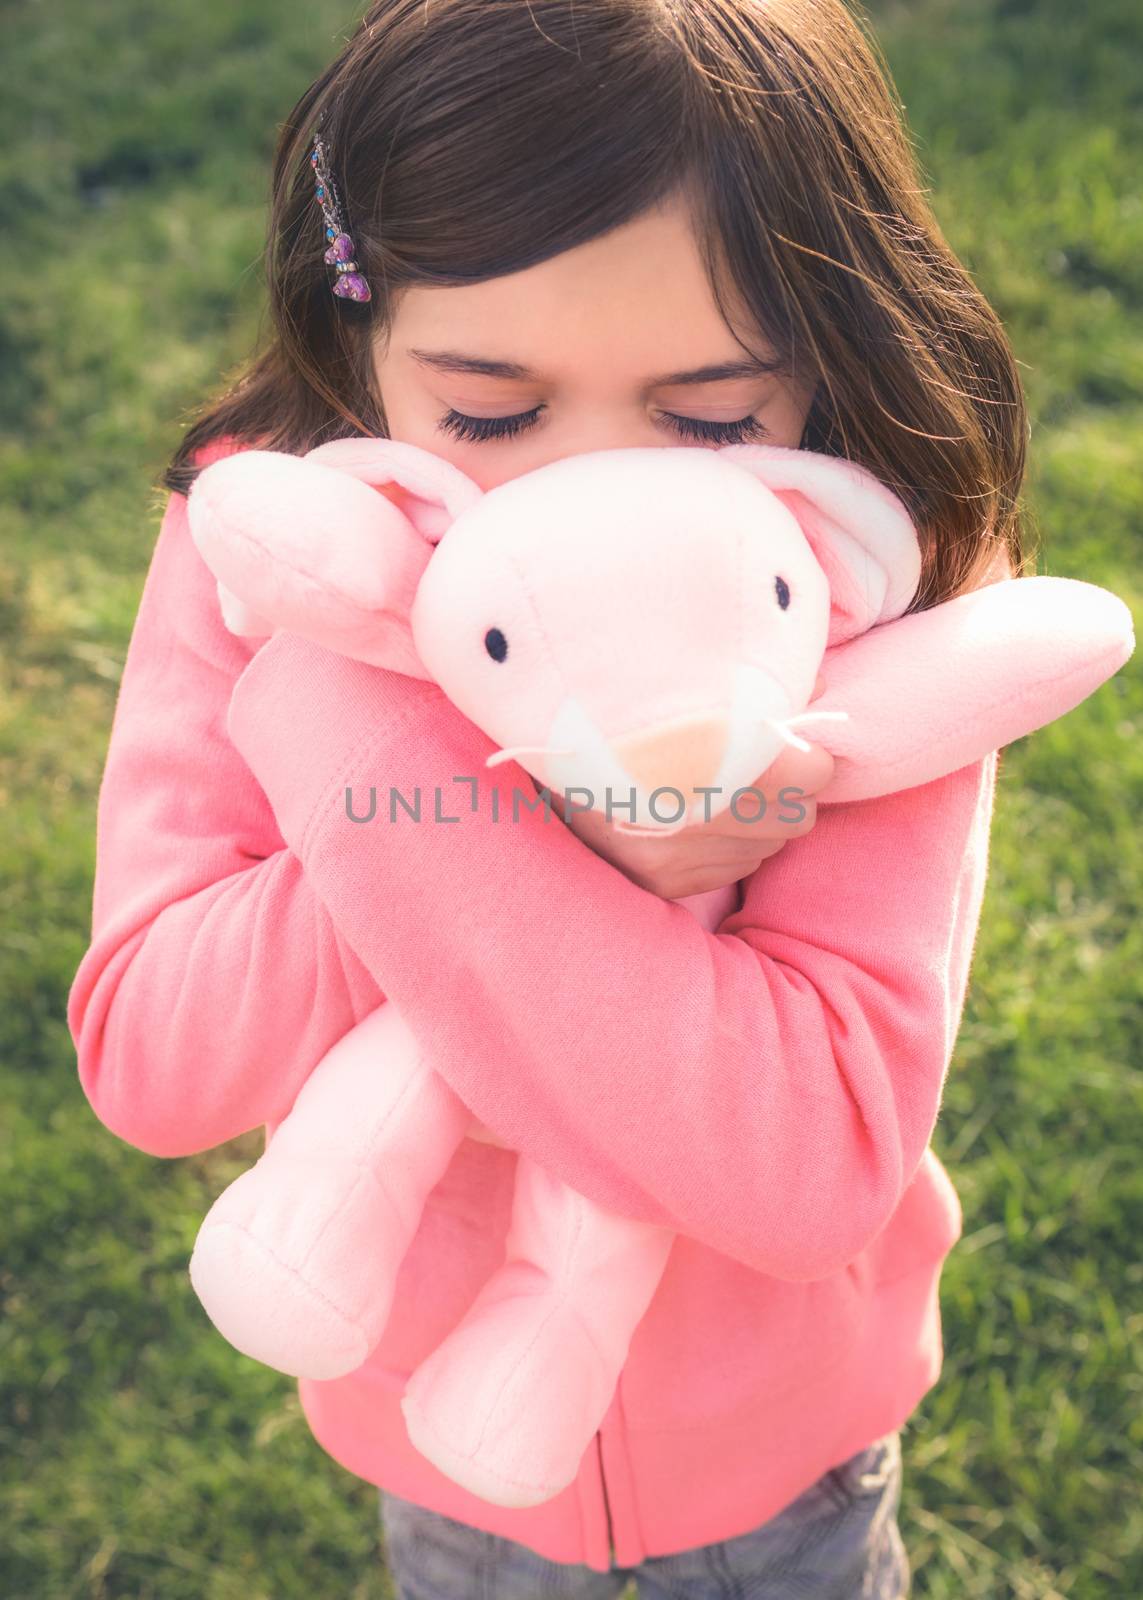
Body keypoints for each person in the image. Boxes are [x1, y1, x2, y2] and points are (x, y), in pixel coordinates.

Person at [66, 0, 1030, 1594]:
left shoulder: (876, 591)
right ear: (355, 332)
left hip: (778, 1459)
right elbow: (156, 1057)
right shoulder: (276, 557)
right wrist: (434, 756)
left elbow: (809, 1156)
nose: (592, 485)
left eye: (714, 417)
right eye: (492, 414)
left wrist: (361, 785)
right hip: (435, 1435)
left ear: (827, 357)